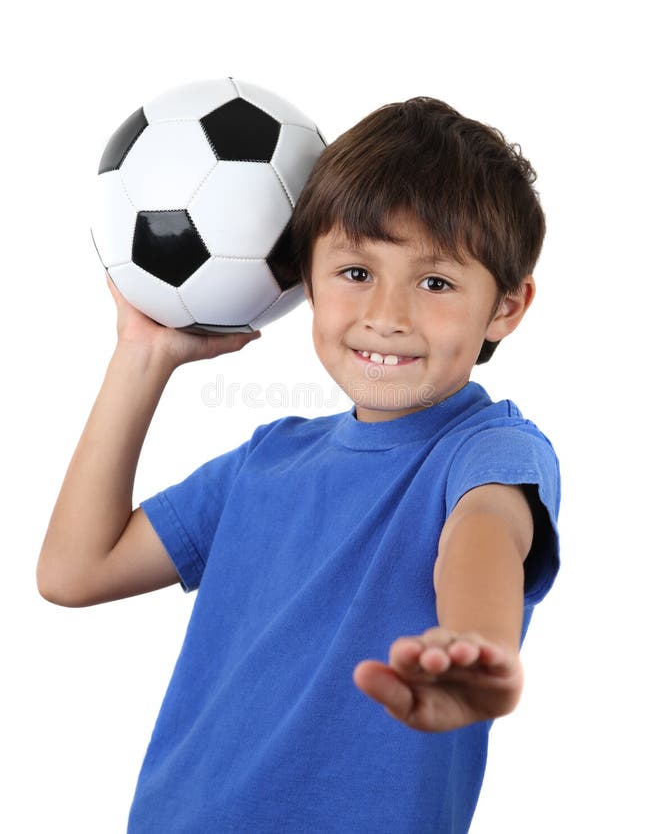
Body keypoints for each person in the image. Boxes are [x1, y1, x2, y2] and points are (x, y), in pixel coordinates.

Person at [37, 96, 560, 833]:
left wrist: (472, 642)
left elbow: (485, 533)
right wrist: (142, 354)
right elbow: (72, 572)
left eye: (435, 282)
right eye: (354, 270)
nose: (388, 313)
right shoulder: (264, 462)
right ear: (304, 280)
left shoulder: (486, 450)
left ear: (505, 308)